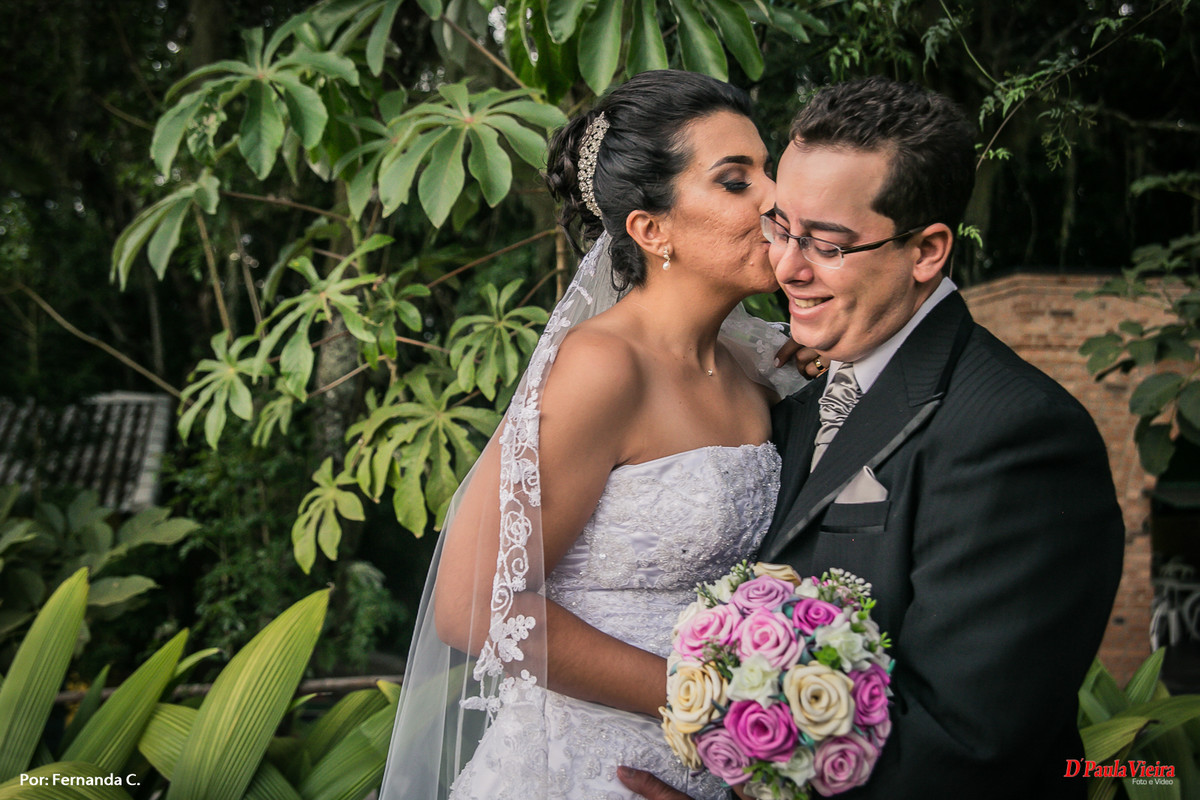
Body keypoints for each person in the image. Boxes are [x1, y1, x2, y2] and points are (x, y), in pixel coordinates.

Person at [619, 77, 1124, 800]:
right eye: (779, 226)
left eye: (826, 244)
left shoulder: (1019, 436)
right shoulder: (800, 393)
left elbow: (962, 751)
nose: (787, 267)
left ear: (926, 252)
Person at [378, 70, 814, 800]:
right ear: (651, 229)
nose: (777, 198)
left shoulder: (759, 368)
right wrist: (718, 706)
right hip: (588, 772)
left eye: (768, 171)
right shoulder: (604, 367)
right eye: (737, 181)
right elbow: (471, 607)